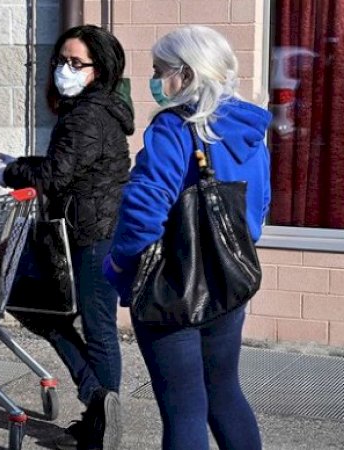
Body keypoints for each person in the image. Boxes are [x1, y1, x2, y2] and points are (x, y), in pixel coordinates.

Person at [104, 25, 270, 450]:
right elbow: (259, 206)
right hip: (229, 280)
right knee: (225, 393)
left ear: (188, 74)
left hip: (171, 285)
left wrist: (120, 264)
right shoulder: (250, 131)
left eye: (160, 70)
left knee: (183, 408)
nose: (156, 81)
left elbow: (142, 211)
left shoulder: (174, 130)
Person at [0, 25, 133, 450]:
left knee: (98, 330)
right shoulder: (88, 111)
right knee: (36, 306)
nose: (64, 70)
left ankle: (100, 417)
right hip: (80, 233)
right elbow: (70, 164)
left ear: (99, 68)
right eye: (61, 61)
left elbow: (56, 174)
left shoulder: (89, 114)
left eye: (76, 63)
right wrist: (23, 162)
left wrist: (10, 173)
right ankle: (98, 406)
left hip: (94, 236)